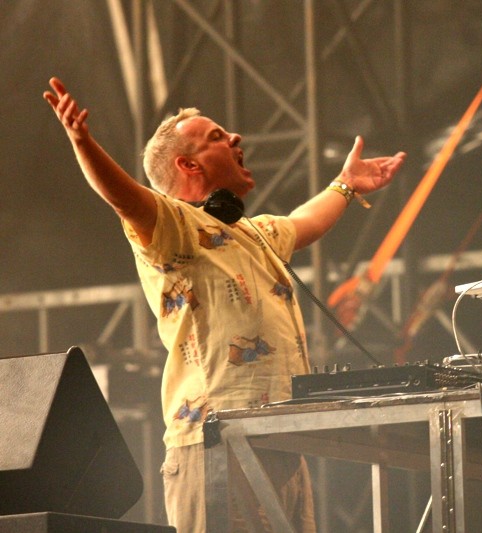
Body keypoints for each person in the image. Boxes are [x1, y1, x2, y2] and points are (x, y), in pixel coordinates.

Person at [43, 76, 406, 533]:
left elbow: (305, 220)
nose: (235, 137)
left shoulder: (256, 233)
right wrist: (83, 143)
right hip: (215, 442)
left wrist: (346, 184)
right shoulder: (175, 226)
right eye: (216, 136)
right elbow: (124, 198)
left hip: (283, 442)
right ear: (188, 165)